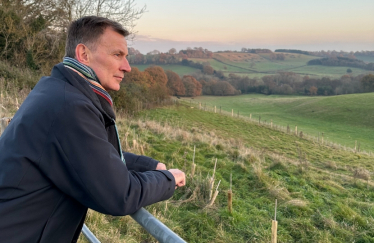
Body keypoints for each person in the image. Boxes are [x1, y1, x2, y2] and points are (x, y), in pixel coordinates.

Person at [0, 16, 185, 243]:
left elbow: (87, 154)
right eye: (117, 55)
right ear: (84, 54)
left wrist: (149, 166)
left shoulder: (56, 90)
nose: (127, 67)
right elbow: (119, 194)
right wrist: (168, 179)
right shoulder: (69, 106)